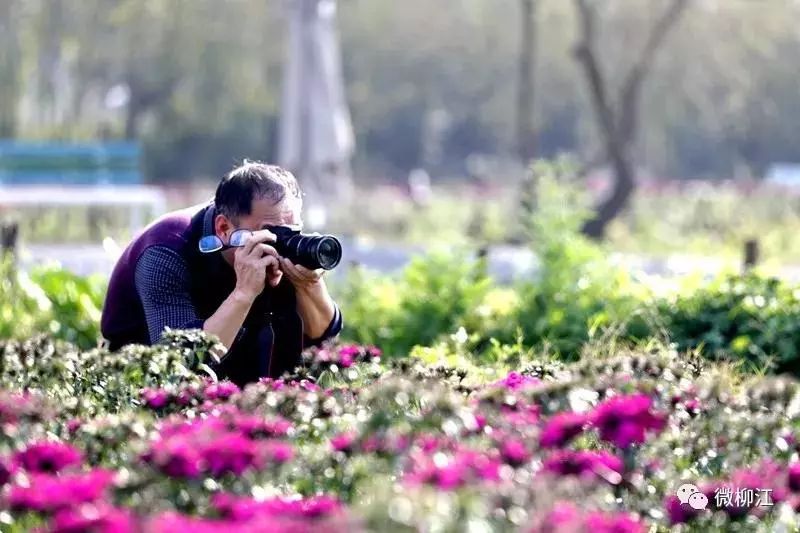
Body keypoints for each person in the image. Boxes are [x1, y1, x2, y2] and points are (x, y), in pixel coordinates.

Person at [100, 162, 342, 386]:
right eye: (270, 232)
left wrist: (309, 286)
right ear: (224, 228)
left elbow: (324, 336)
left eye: (291, 230)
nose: (282, 242)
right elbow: (180, 361)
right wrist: (244, 293)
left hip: (240, 380)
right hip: (139, 389)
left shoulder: (283, 247)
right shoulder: (165, 250)